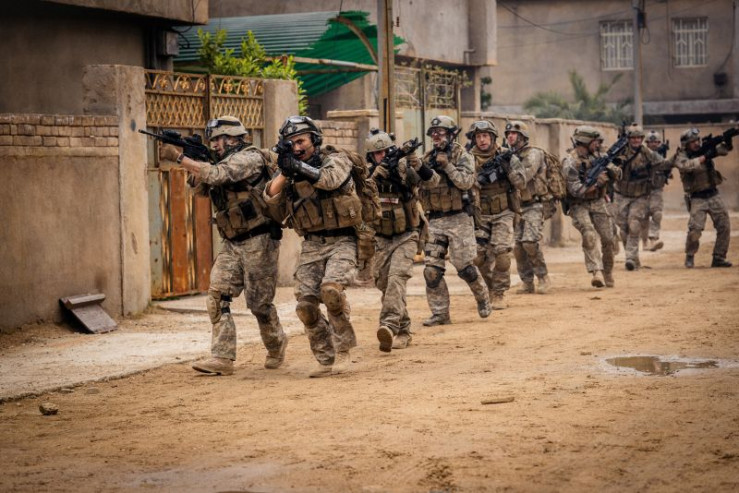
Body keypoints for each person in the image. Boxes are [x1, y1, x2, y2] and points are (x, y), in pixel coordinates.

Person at [160, 116, 286, 376]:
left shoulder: (250, 158)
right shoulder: (217, 161)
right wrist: (195, 164)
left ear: (235, 138)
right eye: (213, 140)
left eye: (220, 139)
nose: (215, 144)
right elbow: (200, 190)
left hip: (259, 239)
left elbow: (220, 174)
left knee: (259, 304)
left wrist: (181, 158)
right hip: (231, 242)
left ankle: (276, 344)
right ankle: (222, 357)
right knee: (217, 297)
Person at [263, 116, 360, 377]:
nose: (297, 147)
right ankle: (325, 358)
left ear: (314, 140)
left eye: (301, 141)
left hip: (343, 240)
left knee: (331, 293)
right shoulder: (289, 170)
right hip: (312, 244)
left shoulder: (336, 159)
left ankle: (343, 351)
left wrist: (298, 166)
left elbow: (330, 180)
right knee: (305, 307)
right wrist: (285, 171)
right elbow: (269, 197)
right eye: (291, 143)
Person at [419, 115, 491, 326]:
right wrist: (416, 168)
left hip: (459, 218)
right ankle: (440, 313)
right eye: (433, 133)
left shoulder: (463, 155)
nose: (436, 136)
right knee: (431, 271)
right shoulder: (427, 157)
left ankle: (483, 297)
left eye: (440, 133)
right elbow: (420, 185)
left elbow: (466, 182)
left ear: (451, 135)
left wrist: (448, 166)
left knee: (465, 268)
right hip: (435, 220)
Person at [366, 129, 431, 351]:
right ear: (371, 155)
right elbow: (358, 197)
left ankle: (389, 325)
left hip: (407, 235)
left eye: (386, 152)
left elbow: (429, 180)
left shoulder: (403, 168)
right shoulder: (369, 174)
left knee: (396, 279)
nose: (382, 156)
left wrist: (414, 163)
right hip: (382, 238)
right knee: (384, 284)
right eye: (378, 153)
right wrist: (374, 177)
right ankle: (404, 329)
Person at [468, 120, 526, 309]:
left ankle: (499, 293)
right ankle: (490, 287)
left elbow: (521, 183)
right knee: (478, 257)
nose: (482, 140)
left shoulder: (507, 156)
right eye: (478, 136)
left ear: (493, 137)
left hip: (504, 212)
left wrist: (507, 169)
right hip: (480, 214)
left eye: (485, 136)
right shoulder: (468, 158)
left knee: (502, 254)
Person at [561, 126, 621, 288]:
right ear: (585, 141)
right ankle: (596, 272)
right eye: (595, 142)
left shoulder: (600, 155)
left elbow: (618, 174)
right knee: (588, 234)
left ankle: (607, 271)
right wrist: (596, 184)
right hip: (578, 204)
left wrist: (611, 171)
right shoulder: (570, 162)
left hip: (598, 201)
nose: (598, 145)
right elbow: (575, 190)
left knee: (608, 239)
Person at [504, 121, 552, 294]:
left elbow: (523, 178)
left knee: (530, 242)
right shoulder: (508, 155)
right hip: (517, 207)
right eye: (508, 133)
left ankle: (543, 277)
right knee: (518, 247)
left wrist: (506, 165)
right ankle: (527, 282)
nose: (510, 136)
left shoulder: (534, 154)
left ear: (522, 136)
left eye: (514, 133)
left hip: (534, 204)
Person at [674, 128, 733, 268]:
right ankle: (690, 256)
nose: (696, 143)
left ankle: (719, 257)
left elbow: (724, 150)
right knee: (695, 230)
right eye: (692, 141)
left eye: (697, 140)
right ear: (685, 144)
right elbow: (685, 166)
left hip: (713, 194)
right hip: (697, 198)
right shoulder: (681, 156)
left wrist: (728, 140)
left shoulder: (704, 150)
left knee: (724, 226)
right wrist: (705, 157)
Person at [612, 123, 668, 271]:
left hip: (640, 195)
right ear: (628, 139)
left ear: (642, 139)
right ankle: (633, 258)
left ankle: (630, 258)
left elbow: (662, 163)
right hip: (621, 195)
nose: (636, 140)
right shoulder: (619, 151)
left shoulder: (646, 152)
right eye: (633, 138)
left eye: (638, 138)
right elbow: (608, 163)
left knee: (634, 225)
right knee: (623, 229)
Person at [641, 131, 672, 252]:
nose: (653, 144)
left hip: (657, 190)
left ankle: (653, 240)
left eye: (656, 142)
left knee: (657, 214)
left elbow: (668, 171)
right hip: (643, 191)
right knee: (644, 217)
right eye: (651, 142)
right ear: (647, 143)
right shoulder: (642, 155)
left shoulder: (662, 156)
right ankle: (644, 243)